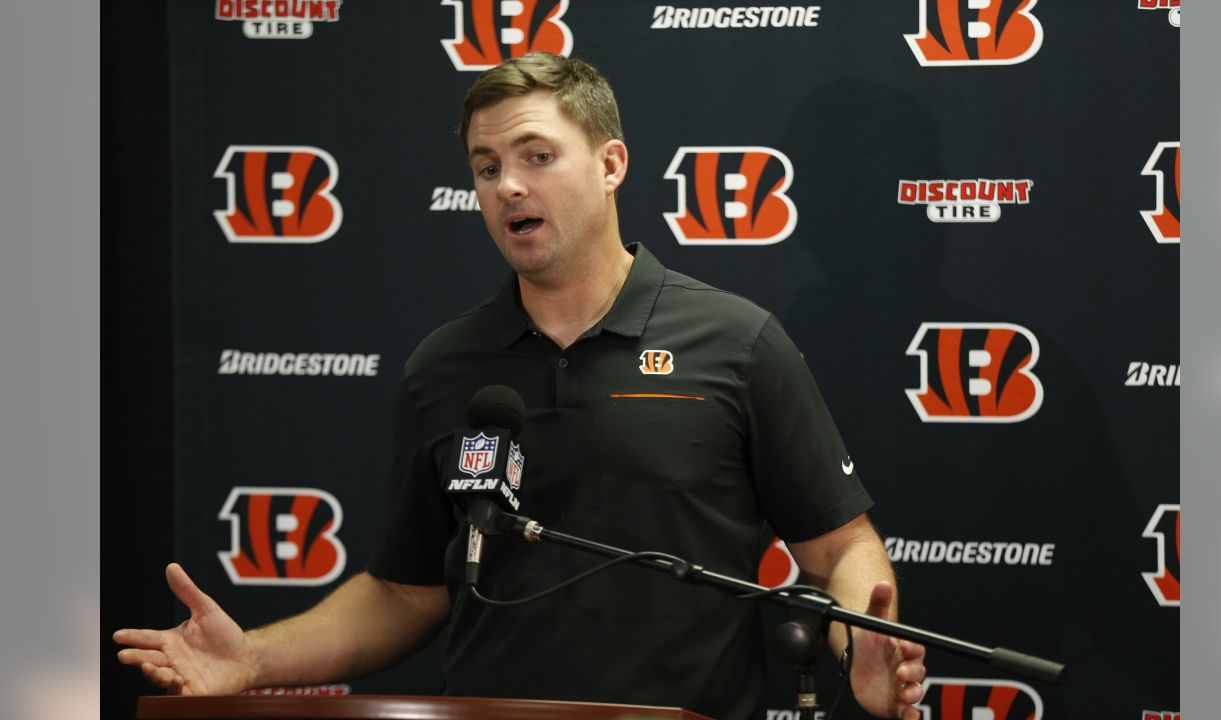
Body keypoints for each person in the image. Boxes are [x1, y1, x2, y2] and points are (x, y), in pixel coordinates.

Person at [115, 52, 926, 719]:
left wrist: (861, 642)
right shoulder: (446, 367)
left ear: (611, 165)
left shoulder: (737, 343)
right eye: (486, 166)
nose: (507, 185)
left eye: (536, 156)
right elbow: (405, 593)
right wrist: (255, 657)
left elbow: (839, 546)